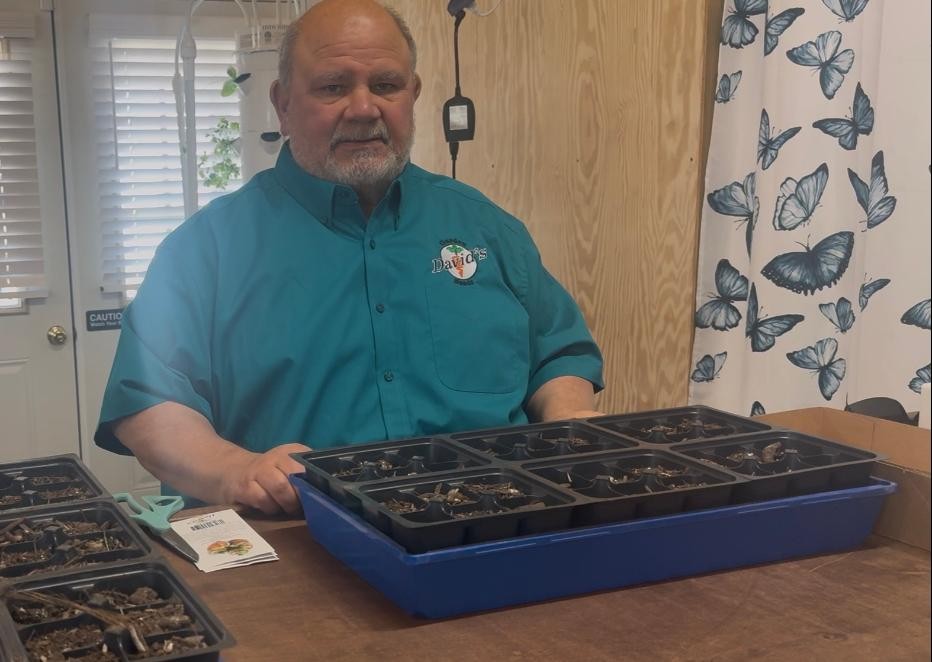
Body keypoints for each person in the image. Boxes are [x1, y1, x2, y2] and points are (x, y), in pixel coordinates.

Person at [95, 0, 604, 515]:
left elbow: (557, 353)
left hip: (498, 523)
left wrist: (570, 416)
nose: (364, 109)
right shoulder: (204, 250)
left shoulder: (485, 226)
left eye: (386, 85)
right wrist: (234, 470)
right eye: (333, 87)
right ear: (283, 104)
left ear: (414, 94)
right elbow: (148, 402)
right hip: (295, 539)